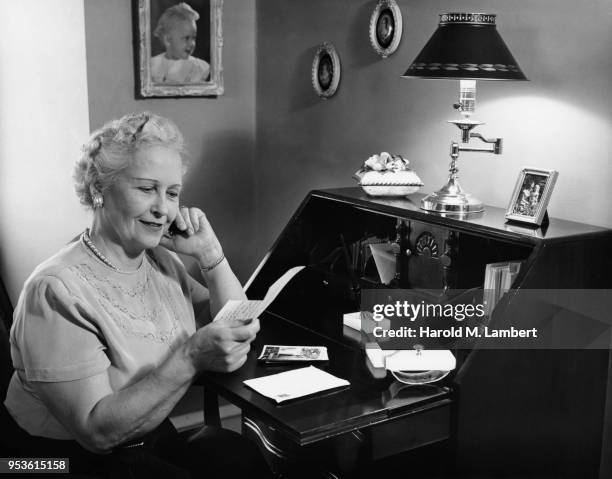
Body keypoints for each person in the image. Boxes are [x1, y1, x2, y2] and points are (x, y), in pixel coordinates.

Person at [4, 112, 270, 478]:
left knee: (243, 459)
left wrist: (211, 256)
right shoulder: (54, 290)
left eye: (173, 193)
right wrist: (191, 357)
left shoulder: (161, 261)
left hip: (147, 436)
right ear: (99, 188)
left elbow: (237, 322)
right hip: (58, 462)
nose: (163, 208)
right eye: (146, 189)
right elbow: (96, 433)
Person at [151, 3, 210, 84]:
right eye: (186, 38)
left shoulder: (199, 67)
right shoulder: (152, 65)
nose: (192, 44)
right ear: (167, 40)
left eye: (194, 38)